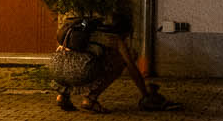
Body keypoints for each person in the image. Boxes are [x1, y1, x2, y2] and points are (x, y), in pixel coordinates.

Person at [49, 11, 179, 112]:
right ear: (125, 31)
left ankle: (62, 96)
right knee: (120, 62)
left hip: (56, 70)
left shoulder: (87, 32)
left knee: (75, 61)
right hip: (79, 72)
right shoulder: (115, 39)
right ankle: (90, 99)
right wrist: (145, 94)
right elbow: (132, 68)